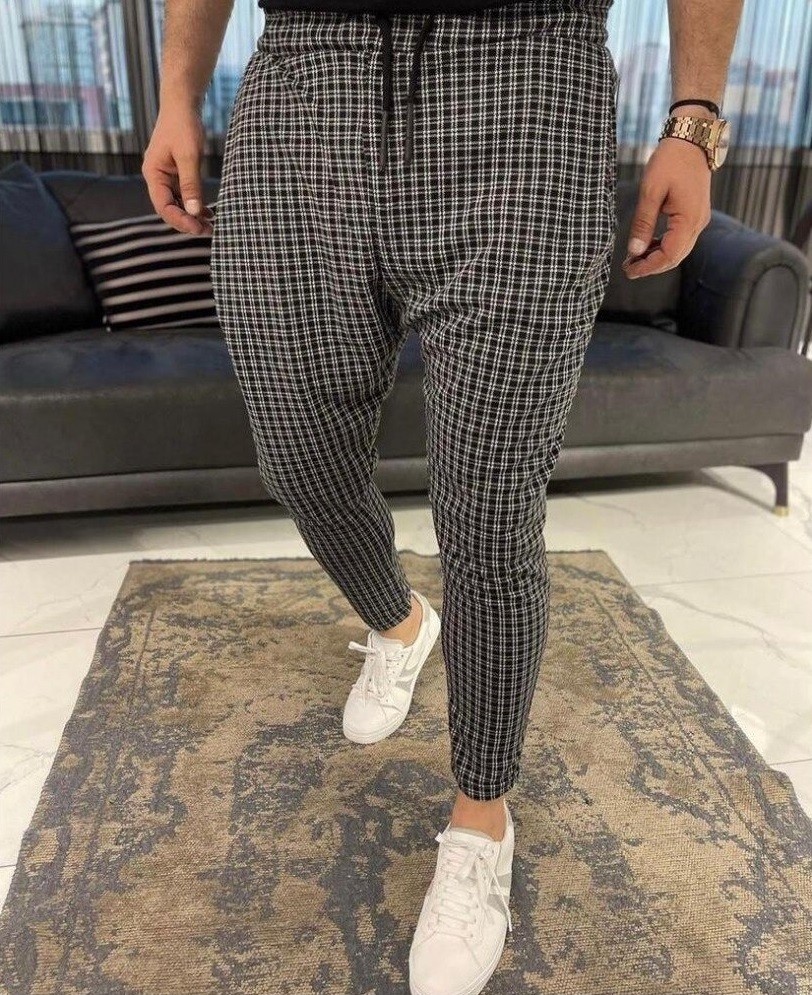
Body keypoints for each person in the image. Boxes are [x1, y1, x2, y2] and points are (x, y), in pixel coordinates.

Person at [143, 0, 742, 990]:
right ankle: (399, 621)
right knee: (296, 460)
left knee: (489, 513)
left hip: (526, 82)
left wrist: (694, 120)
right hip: (300, 89)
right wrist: (177, 95)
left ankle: (480, 819)